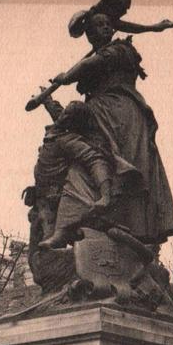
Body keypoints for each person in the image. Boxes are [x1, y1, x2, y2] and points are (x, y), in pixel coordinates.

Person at [51, 11, 173, 245]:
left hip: (120, 114)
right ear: (89, 35)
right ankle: (70, 221)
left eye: (107, 24)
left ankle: (124, 220)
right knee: (78, 159)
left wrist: (67, 76)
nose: (105, 28)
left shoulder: (120, 50)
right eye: (97, 26)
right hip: (99, 112)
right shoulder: (101, 54)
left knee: (122, 163)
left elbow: (94, 62)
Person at [27, 99, 118, 250]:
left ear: (71, 123)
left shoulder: (67, 140)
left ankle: (59, 235)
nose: (63, 115)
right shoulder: (55, 133)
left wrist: (105, 195)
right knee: (35, 250)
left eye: (67, 115)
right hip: (40, 199)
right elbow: (58, 113)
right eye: (65, 112)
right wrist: (48, 101)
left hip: (53, 203)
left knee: (47, 250)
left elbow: (95, 160)